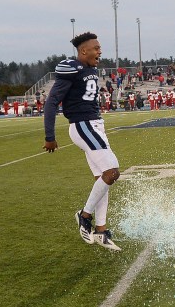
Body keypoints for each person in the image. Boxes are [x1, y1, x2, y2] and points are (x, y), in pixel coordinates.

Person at [43, 31, 121, 251]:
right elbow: (51, 103)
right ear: (83, 51)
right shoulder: (72, 69)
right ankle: (84, 216)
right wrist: (50, 136)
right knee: (112, 171)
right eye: (96, 48)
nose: (100, 51)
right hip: (82, 125)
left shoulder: (90, 69)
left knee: (103, 178)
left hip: (94, 124)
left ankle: (101, 230)